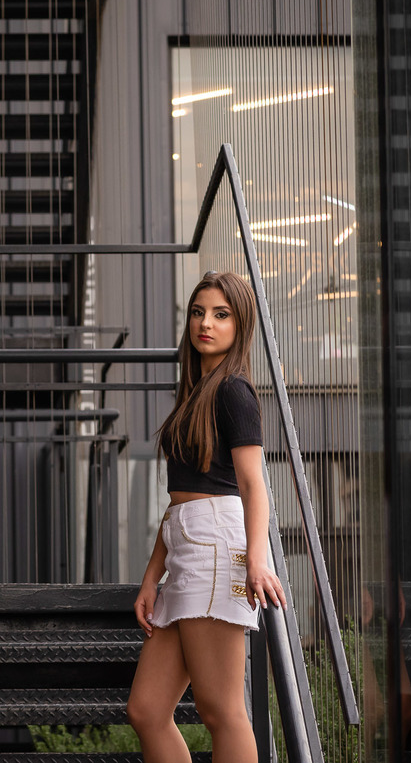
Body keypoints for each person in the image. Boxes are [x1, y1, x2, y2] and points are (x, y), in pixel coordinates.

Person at [126, 271, 287, 763]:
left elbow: (253, 484)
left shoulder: (234, 391)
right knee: (147, 709)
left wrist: (256, 559)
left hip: (218, 549)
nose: (206, 323)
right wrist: (152, 576)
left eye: (221, 314)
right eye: (198, 312)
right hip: (187, 548)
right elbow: (180, 501)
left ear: (241, 325)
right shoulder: (196, 394)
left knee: (221, 711)